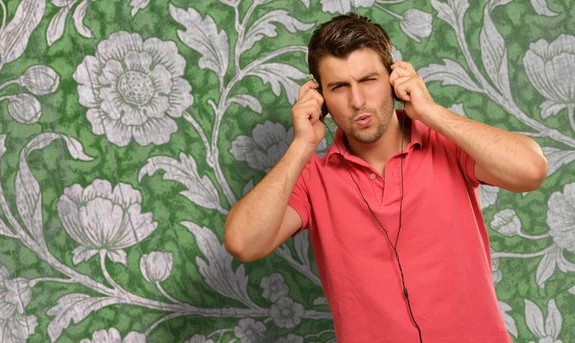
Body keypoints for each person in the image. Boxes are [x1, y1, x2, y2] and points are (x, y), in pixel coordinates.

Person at [224, 13, 548, 343]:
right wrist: (302, 144)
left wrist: (430, 113)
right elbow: (242, 243)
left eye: (368, 80)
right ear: (320, 97)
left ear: (393, 80)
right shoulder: (313, 180)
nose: (357, 101)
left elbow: (531, 170)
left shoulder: (449, 146)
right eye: (339, 87)